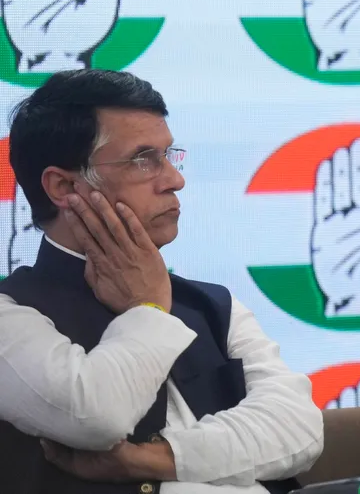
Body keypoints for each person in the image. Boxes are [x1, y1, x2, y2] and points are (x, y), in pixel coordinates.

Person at [0, 69, 325, 493]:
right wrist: (148, 308)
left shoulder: (213, 305)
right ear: (64, 186)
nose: (174, 179)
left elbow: (299, 429)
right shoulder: (12, 314)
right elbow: (97, 415)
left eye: (169, 156)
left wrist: (149, 459)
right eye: (143, 159)